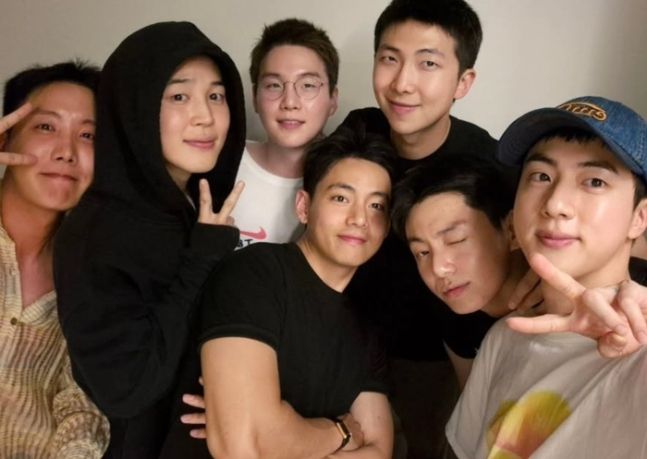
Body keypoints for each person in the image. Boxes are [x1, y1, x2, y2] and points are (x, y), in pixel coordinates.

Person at [53, 22, 246, 458]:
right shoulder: (95, 233)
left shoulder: (193, 210)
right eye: (179, 96)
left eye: (216, 96)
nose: (205, 116)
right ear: (135, 108)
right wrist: (202, 258)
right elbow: (128, 389)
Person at [447, 96, 647, 458]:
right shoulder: (505, 336)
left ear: (640, 218)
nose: (555, 203)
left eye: (594, 181)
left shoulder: (639, 349)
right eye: (541, 176)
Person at [340, 0, 497, 454]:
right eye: (390, 59)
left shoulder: (487, 163)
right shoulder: (359, 133)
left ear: (463, 82)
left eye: (428, 63)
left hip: (440, 362)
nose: (402, 83)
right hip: (348, 345)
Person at [198, 125, 395, 458]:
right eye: (341, 198)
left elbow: (378, 451)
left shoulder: (364, 328)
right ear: (304, 206)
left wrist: (281, 434)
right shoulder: (255, 274)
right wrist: (342, 432)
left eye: (376, 205)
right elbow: (245, 448)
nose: (360, 219)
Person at [0, 61, 108, 457]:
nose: (66, 152)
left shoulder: (93, 274)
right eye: (46, 127)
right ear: (5, 139)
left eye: (88, 135)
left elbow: (83, 404)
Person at [390, 155, 526, 387]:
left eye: (455, 240)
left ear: (512, 230)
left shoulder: (562, 301)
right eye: (422, 252)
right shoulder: (452, 313)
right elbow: (474, 399)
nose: (438, 269)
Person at [232, 18, 338, 247]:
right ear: (255, 97)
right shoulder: (224, 161)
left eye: (307, 85)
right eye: (274, 85)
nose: (290, 102)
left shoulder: (343, 183)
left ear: (333, 99)